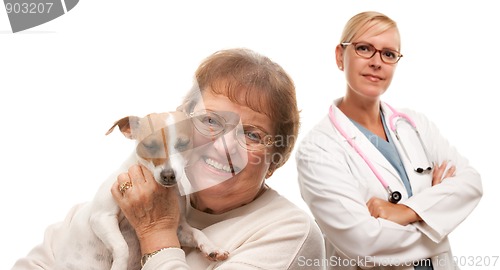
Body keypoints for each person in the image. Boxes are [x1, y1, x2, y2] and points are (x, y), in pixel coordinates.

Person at [13, 48, 326, 269]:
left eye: (253, 135)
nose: (224, 146)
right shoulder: (120, 200)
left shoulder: (290, 233)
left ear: (275, 160)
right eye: (211, 122)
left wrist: (157, 232)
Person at [296, 11, 482, 270]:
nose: (376, 62)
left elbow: (471, 183)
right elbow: (366, 244)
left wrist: (407, 212)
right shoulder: (316, 150)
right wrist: (438, 222)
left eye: (388, 54)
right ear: (340, 56)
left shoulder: (414, 125)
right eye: (364, 49)